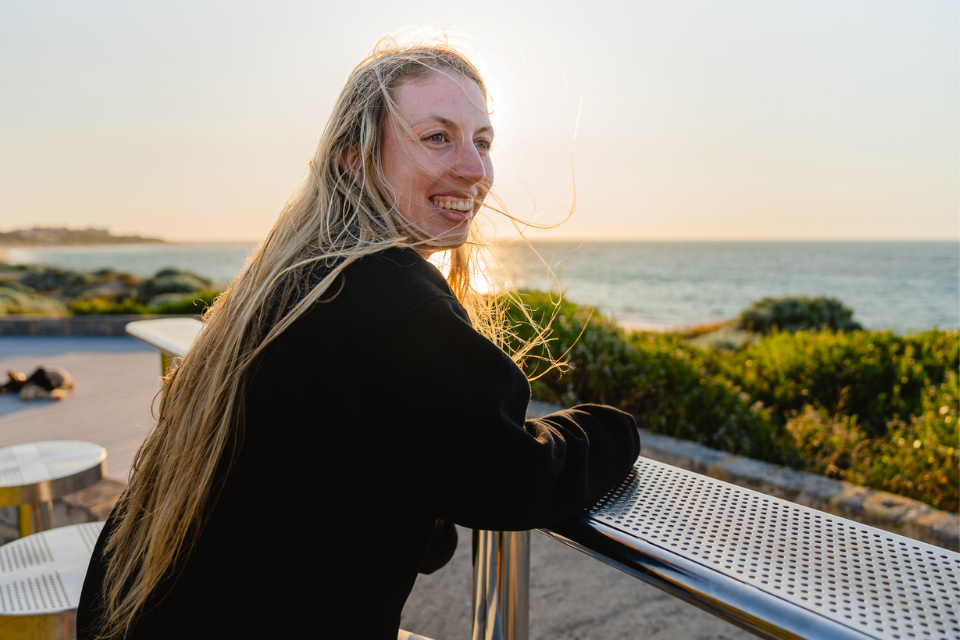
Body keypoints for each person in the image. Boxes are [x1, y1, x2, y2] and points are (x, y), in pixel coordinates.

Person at [77, 38, 640, 639]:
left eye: (483, 141)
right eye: (437, 137)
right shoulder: (384, 295)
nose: (475, 169)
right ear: (355, 158)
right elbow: (518, 479)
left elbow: (337, 451)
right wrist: (613, 430)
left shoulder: (296, 273)